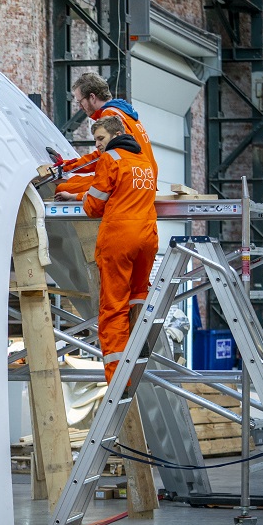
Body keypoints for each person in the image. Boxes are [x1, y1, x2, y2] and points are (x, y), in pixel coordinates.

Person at [80, 115, 159, 382]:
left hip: (119, 239)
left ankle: (119, 380)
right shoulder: (144, 161)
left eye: (100, 138)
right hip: (146, 238)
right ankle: (139, 341)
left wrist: (82, 197)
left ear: (115, 135)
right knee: (138, 294)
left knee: (113, 308)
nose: (97, 145)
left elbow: (93, 207)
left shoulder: (110, 159)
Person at [54, 72, 155, 200]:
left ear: (92, 97)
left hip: (127, 180)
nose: (80, 107)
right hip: (141, 179)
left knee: (63, 188)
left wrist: (65, 166)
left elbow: (103, 156)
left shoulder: (109, 116)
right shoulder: (123, 112)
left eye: (81, 102)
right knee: (72, 182)